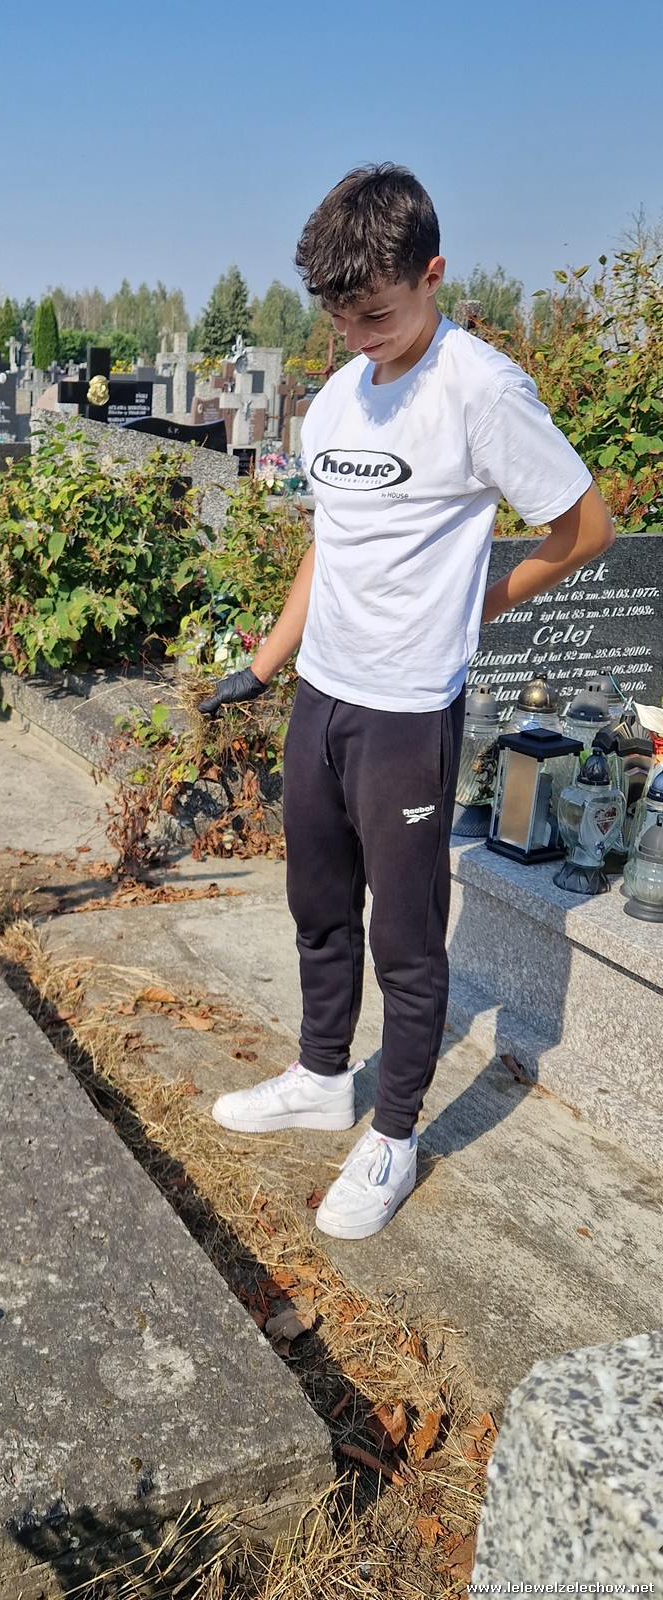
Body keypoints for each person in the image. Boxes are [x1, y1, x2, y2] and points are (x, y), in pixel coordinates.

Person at [199, 164, 614, 1240]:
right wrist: (268, 660)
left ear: (432, 275)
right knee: (318, 904)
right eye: (340, 320)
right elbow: (329, 543)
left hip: (407, 708)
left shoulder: (482, 389)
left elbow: (587, 527)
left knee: (409, 939)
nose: (357, 338)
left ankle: (392, 1135)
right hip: (323, 693)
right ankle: (320, 1076)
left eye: (376, 315)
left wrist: (480, 605)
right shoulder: (342, 393)